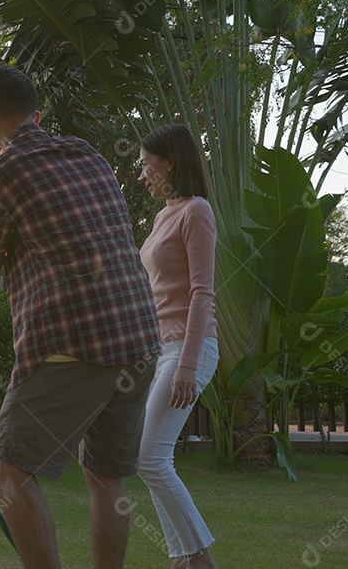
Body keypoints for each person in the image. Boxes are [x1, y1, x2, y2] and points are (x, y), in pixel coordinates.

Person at [0, 66, 162, 569]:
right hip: (138, 336)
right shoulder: (85, 154)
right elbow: (68, 234)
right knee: (104, 476)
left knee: (8, 470)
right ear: (37, 115)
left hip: (76, 342)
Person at [136, 124, 219, 569]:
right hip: (162, 350)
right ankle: (183, 560)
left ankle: (199, 559)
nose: (142, 174)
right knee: (151, 457)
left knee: (149, 457)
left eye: (147, 165)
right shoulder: (163, 215)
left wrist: (187, 365)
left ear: (170, 163)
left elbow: (201, 292)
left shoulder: (196, 211)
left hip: (191, 348)